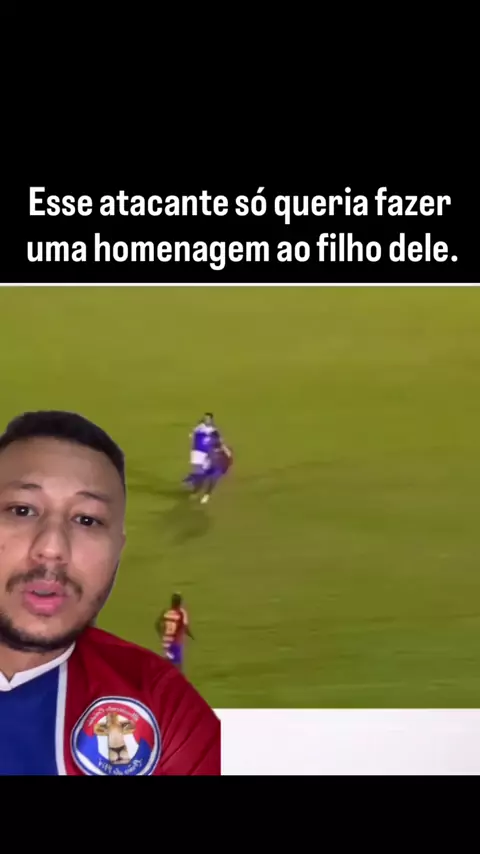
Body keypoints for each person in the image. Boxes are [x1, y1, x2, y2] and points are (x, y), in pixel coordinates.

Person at [0, 410, 220, 776]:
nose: (52, 548)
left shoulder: (162, 705)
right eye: (22, 510)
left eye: (87, 520)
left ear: (118, 549)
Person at [155, 593, 193, 672]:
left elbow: (157, 624)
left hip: (166, 642)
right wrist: (191, 636)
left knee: (167, 661)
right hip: (175, 643)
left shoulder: (166, 612)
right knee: (178, 665)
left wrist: (161, 635)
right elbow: (185, 628)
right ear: (180, 603)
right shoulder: (181, 613)